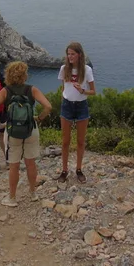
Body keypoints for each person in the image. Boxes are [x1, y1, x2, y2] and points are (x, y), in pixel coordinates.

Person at [0, 61, 52, 207]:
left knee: (14, 165)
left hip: (12, 132)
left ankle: (12, 198)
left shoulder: (5, 91)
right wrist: (39, 118)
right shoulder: (32, 89)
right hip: (31, 129)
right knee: (30, 163)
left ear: (8, 75)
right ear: (24, 75)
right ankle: (32, 193)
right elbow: (48, 106)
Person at [57, 41, 95, 184]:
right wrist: (64, 99)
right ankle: (64, 170)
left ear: (79, 55)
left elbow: (93, 91)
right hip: (67, 106)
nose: (70, 57)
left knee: (80, 141)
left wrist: (82, 91)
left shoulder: (87, 70)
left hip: (81, 106)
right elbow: (63, 88)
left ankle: (79, 169)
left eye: (72, 54)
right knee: (65, 141)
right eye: (68, 54)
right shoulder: (63, 69)